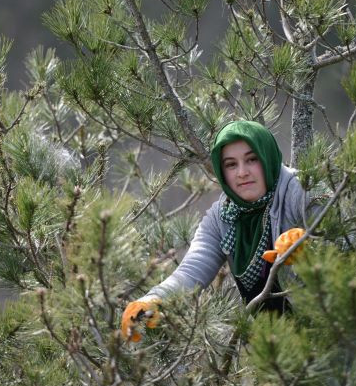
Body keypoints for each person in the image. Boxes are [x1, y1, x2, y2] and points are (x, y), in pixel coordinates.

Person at [121, 120, 312, 342]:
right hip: (280, 353)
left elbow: (351, 246)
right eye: (231, 164)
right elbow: (190, 272)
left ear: (267, 157)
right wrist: (152, 300)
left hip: (335, 336)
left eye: (252, 159)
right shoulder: (224, 216)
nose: (242, 172)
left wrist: (309, 252)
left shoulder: (303, 190)